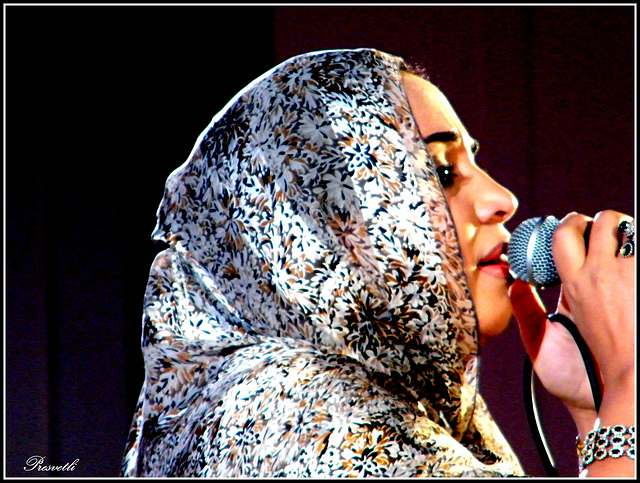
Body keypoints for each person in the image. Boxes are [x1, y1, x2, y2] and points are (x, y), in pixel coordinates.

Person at [121, 48, 635, 477]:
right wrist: (632, 382)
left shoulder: (412, 414)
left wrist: (596, 409)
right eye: (440, 172)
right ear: (319, 222)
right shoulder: (291, 418)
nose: (501, 199)